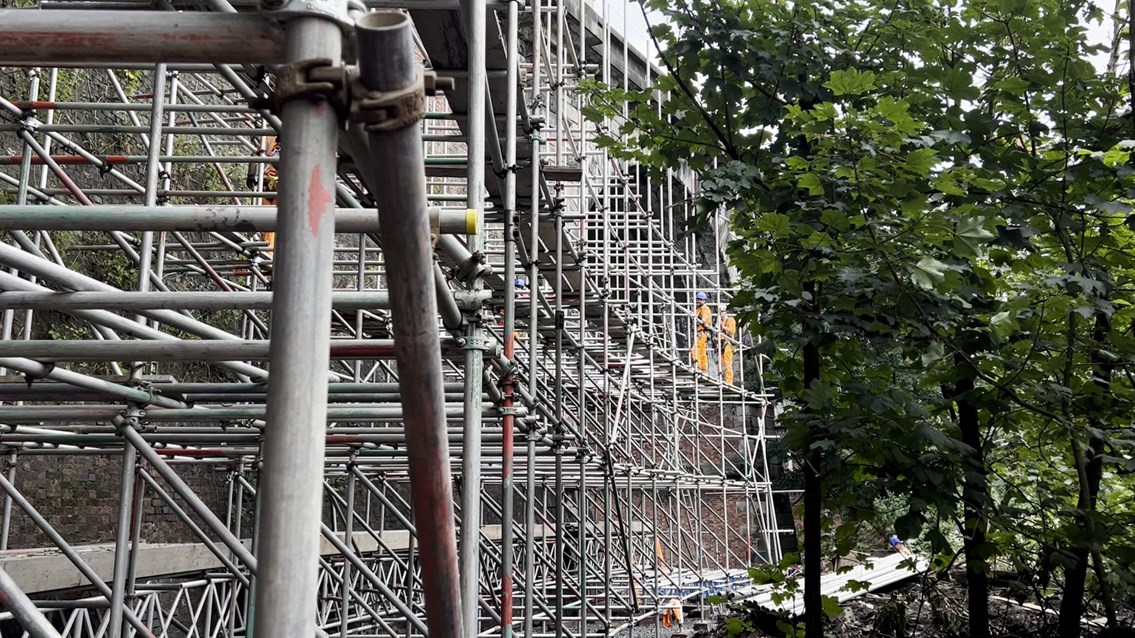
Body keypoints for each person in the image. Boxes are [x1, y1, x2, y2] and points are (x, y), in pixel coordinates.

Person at [690, 292, 711, 373]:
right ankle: (703, 369)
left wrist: (702, 321)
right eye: (697, 299)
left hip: (702, 332)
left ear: (704, 300)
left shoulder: (705, 308)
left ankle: (698, 367)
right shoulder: (698, 309)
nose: (698, 301)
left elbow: (704, 319)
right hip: (701, 333)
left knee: (695, 349)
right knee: (702, 352)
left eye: (700, 300)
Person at [717, 305, 737, 385]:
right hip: (721, 344)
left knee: (727, 363)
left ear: (726, 312)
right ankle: (724, 380)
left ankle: (729, 381)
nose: (720, 313)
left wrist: (722, 326)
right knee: (722, 363)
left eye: (721, 311)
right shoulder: (721, 322)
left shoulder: (730, 320)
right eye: (719, 312)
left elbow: (731, 331)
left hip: (728, 343)